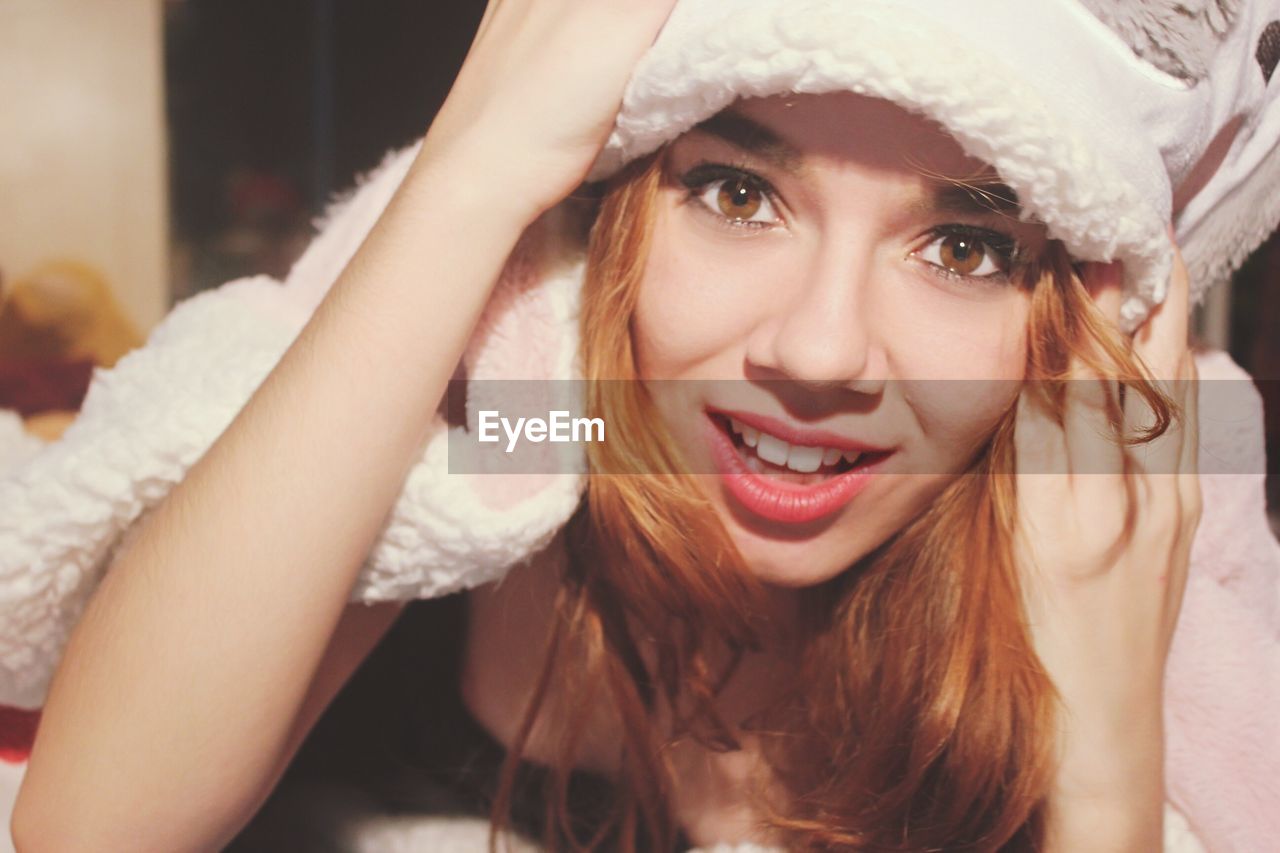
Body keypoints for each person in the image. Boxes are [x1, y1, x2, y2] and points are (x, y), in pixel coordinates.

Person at [8, 1, 1279, 850]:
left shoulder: (1106, 507)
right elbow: (88, 829)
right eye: (736, 191)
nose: (818, 350)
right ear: (612, 207)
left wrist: (1105, 732)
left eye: (963, 246)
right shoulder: (543, 425)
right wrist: (473, 170)